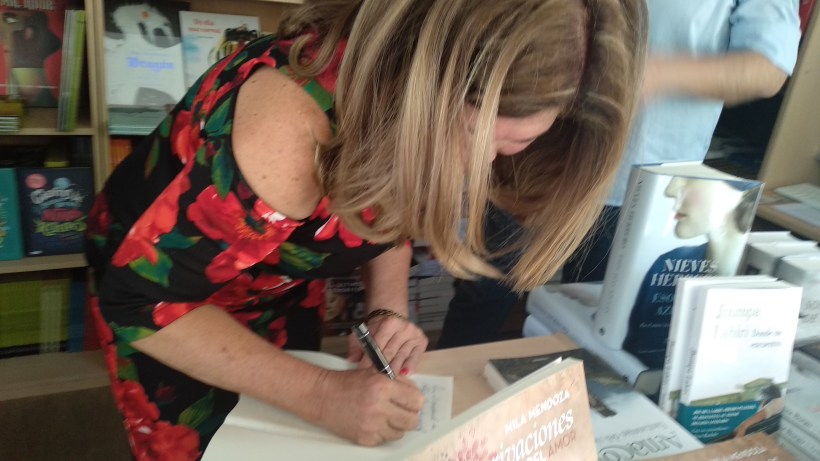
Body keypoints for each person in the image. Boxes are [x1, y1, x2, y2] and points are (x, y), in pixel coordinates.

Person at [85, 0, 647, 458]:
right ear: (440, 93)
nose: (487, 168)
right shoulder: (289, 131)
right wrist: (320, 393)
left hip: (274, 284)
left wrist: (388, 308)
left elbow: (379, 205)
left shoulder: (406, 91)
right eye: (498, 146)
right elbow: (139, 302)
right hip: (165, 298)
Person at [437, 0, 802, 349]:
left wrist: (643, 74)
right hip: (534, 153)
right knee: (483, 290)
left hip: (639, 180)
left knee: (592, 326)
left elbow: (769, 67)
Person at [622, 177, 760, 368]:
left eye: (689, 179)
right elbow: (633, 349)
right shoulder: (668, 264)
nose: (670, 190)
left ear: (743, 192)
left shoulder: (766, 281)